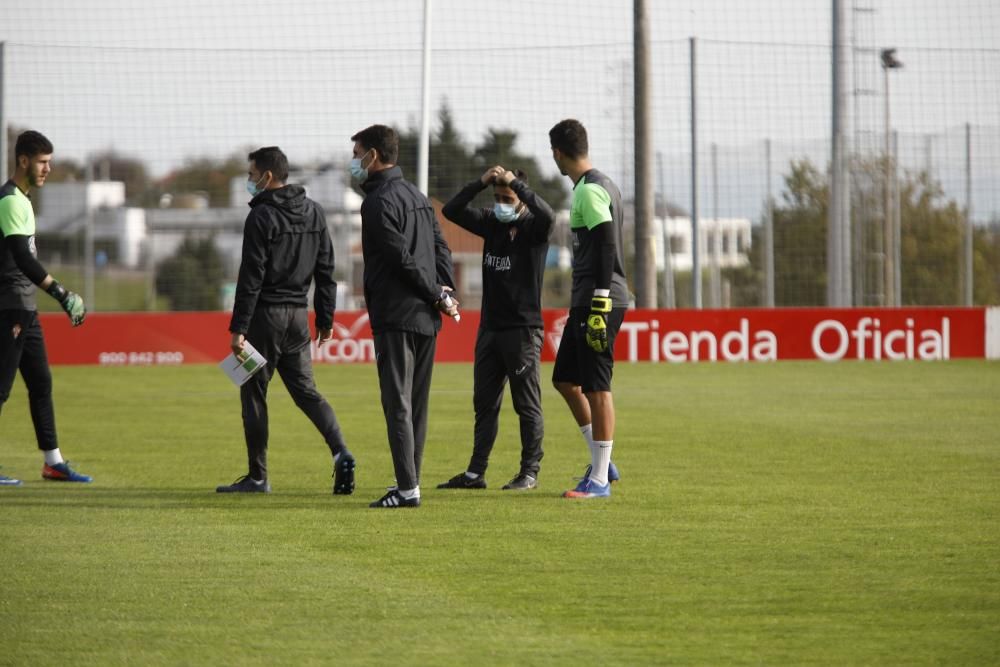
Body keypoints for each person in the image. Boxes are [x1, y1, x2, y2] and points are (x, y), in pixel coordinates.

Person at [217, 146, 355, 495]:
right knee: (307, 393)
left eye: (250, 176)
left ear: (266, 176)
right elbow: (327, 271)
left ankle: (258, 477)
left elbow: (251, 277)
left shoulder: (261, 217)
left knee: (253, 394)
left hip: (265, 318)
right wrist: (325, 317)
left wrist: (238, 329)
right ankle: (341, 451)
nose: (249, 182)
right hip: (298, 318)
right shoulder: (315, 212)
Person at [350, 124, 458, 509]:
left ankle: (407, 488)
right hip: (427, 315)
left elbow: (401, 259)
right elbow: (439, 245)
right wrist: (445, 291)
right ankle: (410, 480)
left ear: (373, 156)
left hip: (397, 314)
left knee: (398, 403)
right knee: (417, 403)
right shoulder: (417, 195)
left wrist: (435, 292)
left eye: (357, 153)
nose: (354, 161)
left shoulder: (377, 202)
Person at [437, 166, 555, 491]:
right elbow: (451, 210)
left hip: (522, 331)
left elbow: (549, 214)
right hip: (489, 329)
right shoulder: (491, 222)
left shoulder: (534, 227)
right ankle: (475, 474)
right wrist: (483, 182)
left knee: (526, 404)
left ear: (521, 198)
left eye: (508, 198)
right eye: (498, 197)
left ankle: (529, 472)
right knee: (484, 404)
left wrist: (515, 183)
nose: (502, 203)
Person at [0, 130, 91, 486]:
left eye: (49, 162)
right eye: (42, 162)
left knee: (41, 382)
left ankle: (53, 462)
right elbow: (22, 258)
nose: (47, 169)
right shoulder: (9, 200)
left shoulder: (21, 199)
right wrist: (62, 292)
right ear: (23, 160)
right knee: (1, 387)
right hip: (9, 308)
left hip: (25, 309)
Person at [548, 119, 628, 499]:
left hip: (599, 299)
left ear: (558, 153)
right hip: (590, 298)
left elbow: (607, 241)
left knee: (598, 385)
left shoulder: (589, 190)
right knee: (565, 379)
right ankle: (603, 461)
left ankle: (598, 481)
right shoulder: (602, 184)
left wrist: (600, 298)